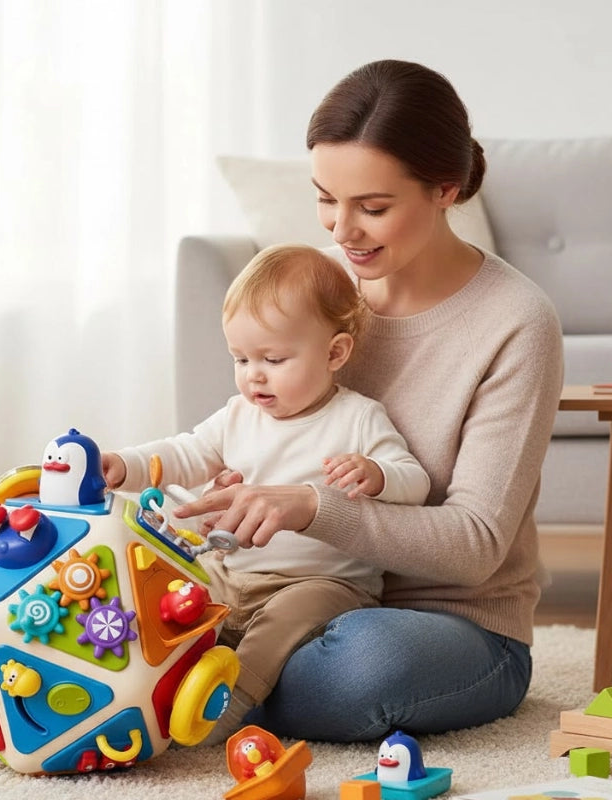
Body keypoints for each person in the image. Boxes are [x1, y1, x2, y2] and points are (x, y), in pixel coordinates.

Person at [171, 59, 565, 742]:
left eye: (373, 208)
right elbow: (255, 419)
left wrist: (312, 507)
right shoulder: (318, 286)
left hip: (447, 625)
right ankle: (211, 675)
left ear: (446, 189)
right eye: (326, 198)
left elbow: (475, 546)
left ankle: (200, 683)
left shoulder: (517, 322)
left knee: (363, 667)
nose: (342, 230)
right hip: (283, 595)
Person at [102, 243, 430, 743]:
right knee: (176, 593)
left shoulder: (358, 417)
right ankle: (146, 680)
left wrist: (378, 474)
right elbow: (184, 452)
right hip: (232, 573)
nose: (254, 374)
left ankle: (233, 700)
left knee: (279, 626)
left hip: (322, 584)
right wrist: (122, 465)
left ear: (335, 352)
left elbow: (417, 483)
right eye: (241, 357)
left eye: (274, 358)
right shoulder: (238, 415)